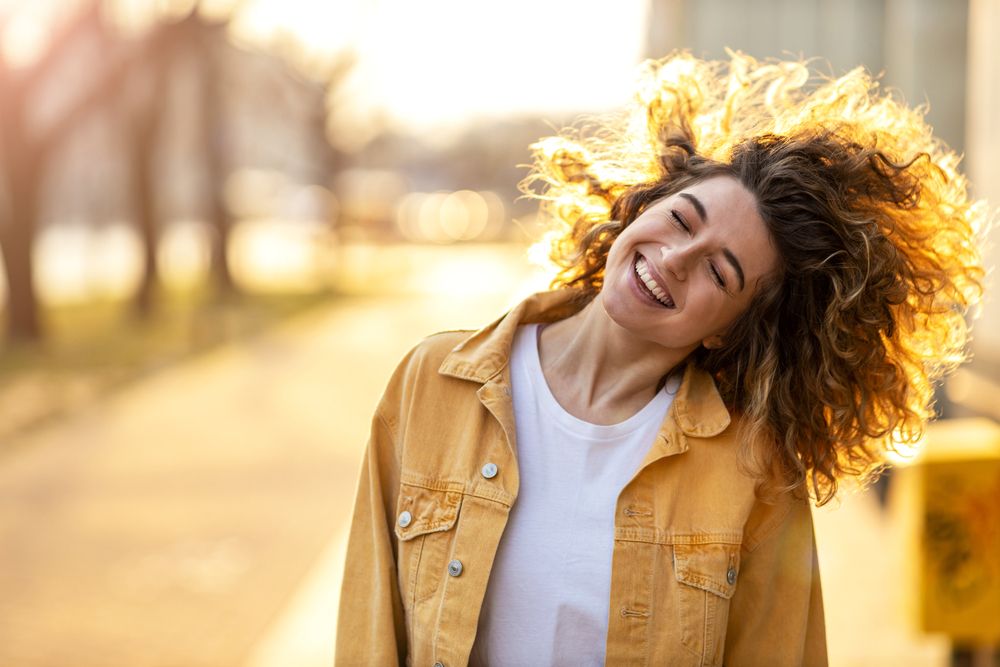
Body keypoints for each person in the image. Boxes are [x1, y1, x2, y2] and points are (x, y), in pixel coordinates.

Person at [335, 52, 987, 666]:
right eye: (682, 220)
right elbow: (368, 633)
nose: (675, 258)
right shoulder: (433, 381)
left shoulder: (753, 470)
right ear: (642, 207)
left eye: (720, 271)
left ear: (729, 332)